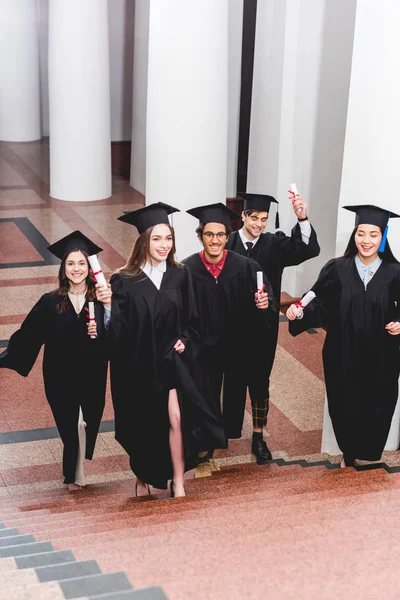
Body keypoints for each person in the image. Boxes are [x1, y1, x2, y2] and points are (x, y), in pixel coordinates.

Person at [109, 202, 226, 498]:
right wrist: (108, 309)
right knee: (144, 424)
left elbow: (192, 320)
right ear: (143, 241)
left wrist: (185, 339)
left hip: (172, 362)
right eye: (156, 239)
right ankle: (142, 476)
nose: (164, 245)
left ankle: (178, 481)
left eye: (168, 238)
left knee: (175, 418)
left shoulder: (180, 274)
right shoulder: (123, 280)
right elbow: (118, 330)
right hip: (138, 364)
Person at [287, 204, 400, 467]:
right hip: (342, 350)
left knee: (378, 402)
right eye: (361, 233)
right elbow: (317, 302)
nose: (366, 240)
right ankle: (349, 454)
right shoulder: (337, 269)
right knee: (344, 400)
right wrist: (299, 313)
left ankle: (370, 455)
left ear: (382, 237)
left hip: (381, 354)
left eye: (373, 234)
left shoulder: (395, 273)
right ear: (354, 234)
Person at [0, 231, 111, 490]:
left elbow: (119, 331)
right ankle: (72, 476)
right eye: (71, 264)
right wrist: (6, 358)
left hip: (92, 374)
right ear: (63, 268)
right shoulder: (50, 302)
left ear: (90, 268)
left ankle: (76, 471)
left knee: (86, 422)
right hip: (59, 376)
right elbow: (28, 335)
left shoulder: (100, 299)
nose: (76, 269)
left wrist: (105, 322)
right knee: (70, 425)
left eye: (81, 263)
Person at [224, 192, 320, 457]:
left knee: (259, 380)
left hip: (263, 327)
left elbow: (308, 249)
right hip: (230, 328)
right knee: (230, 379)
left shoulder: (273, 244)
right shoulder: (227, 243)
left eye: (264, 219)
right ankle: (226, 431)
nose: (259, 224)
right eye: (254, 217)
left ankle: (258, 437)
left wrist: (302, 217)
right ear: (242, 216)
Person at [183, 203, 277, 471]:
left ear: (227, 236)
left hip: (238, 345)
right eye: (209, 234)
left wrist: (264, 303)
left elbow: (266, 296)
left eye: (220, 235)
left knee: (240, 392)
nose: (215, 240)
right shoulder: (187, 269)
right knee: (204, 396)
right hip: (202, 347)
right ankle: (204, 452)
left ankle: (242, 438)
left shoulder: (246, 266)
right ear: (200, 236)